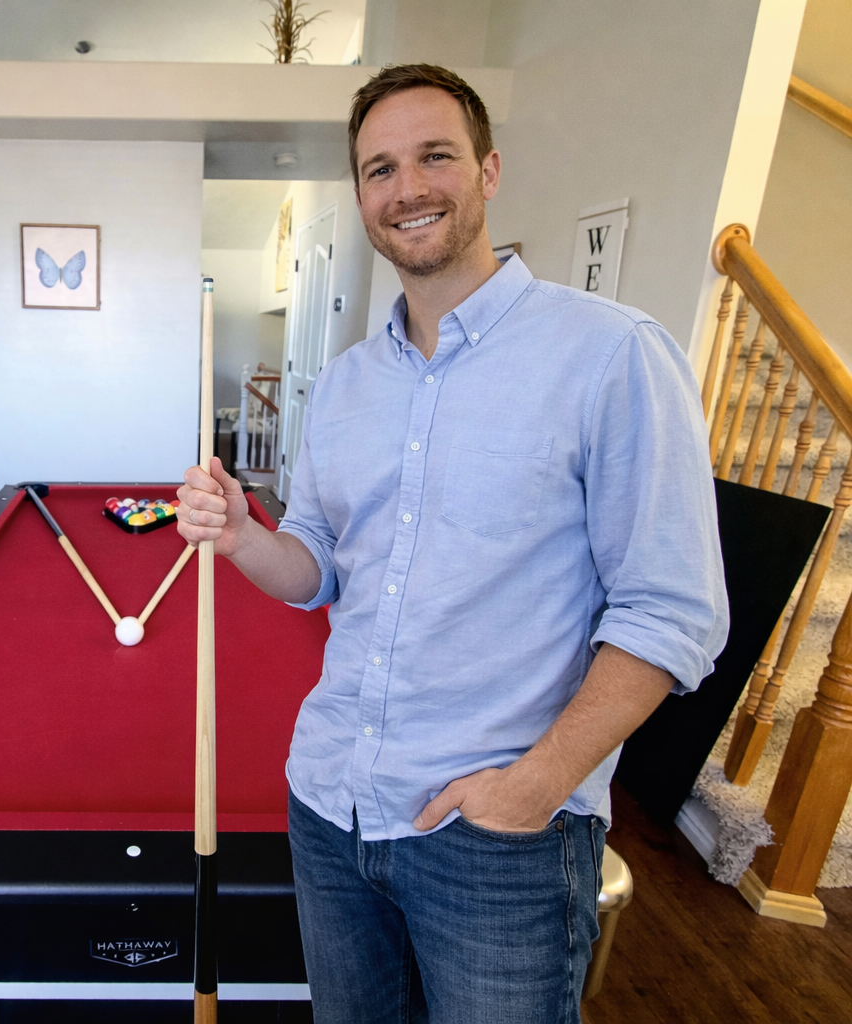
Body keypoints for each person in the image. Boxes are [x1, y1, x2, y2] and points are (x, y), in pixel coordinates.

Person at [178, 64, 728, 1023]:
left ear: (488, 170)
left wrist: (532, 789)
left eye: (436, 155)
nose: (408, 187)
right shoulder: (345, 385)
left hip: (499, 837)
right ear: (361, 197)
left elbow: (674, 612)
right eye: (379, 168)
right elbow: (314, 567)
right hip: (331, 802)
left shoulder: (612, 354)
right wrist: (239, 535)